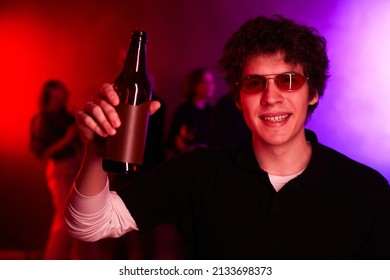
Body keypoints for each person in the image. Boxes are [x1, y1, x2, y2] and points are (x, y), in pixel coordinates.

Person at [65, 16, 390, 259]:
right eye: (254, 83)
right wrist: (97, 150)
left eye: (289, 80)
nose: (271, 97)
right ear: (237, 99)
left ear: (313, 93)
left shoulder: (366, 189)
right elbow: (88, 226)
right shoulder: (197, 172)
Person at [30, 80, 98, 259]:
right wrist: (68, 138)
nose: (66, 91)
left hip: (76, 168)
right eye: (61, 88)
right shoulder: (43, 119)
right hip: (61, 171)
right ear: (51, 92)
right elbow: (41, 153)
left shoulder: (67, 115)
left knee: (81, 219)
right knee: (65, 219)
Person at [167, 68, 215, 153]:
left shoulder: (212, 112)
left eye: (211, 82)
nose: (210, 86)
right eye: (205, 82)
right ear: (195, 85)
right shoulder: (184, 110)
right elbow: (173, 139)